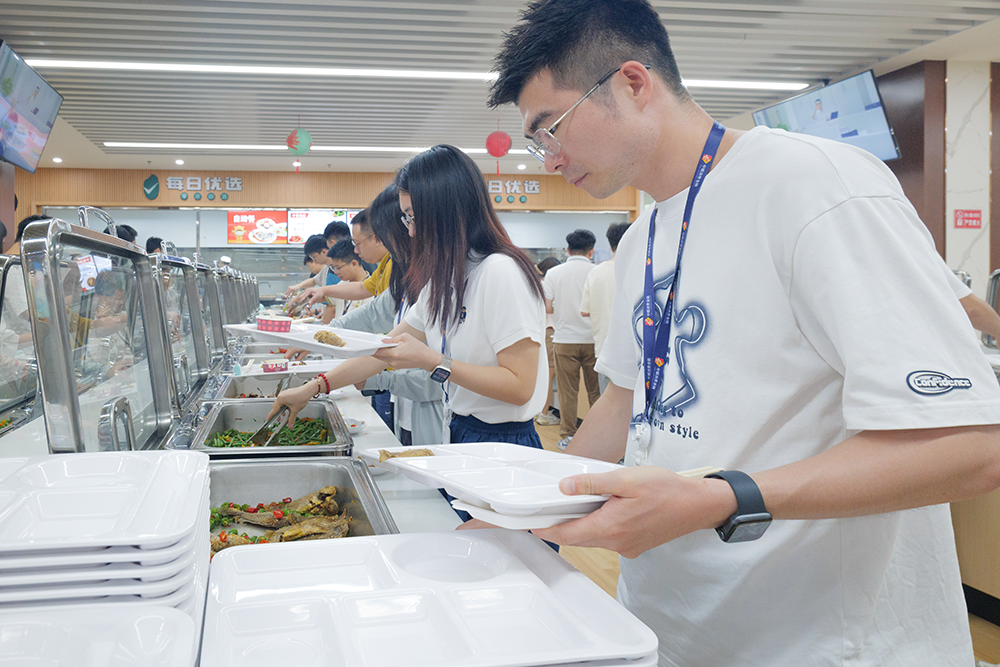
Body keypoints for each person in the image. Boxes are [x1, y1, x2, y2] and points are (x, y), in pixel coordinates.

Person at [489, 2, 1000, 666]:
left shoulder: (817, 187)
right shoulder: (644, 236)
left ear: (633, 83)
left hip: (824, 643)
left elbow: (969, 445)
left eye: (550, 129)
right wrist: (520, 514)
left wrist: (721, 498)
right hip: (668, 625)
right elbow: (624, 402)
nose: (549, 158)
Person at [269, 144, 547, 455]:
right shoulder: (445, 280)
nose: (411, 232)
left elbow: (520, 386)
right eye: (406, 219)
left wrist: (433, 361)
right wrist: (313, 388)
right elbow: (383, 350)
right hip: (459, 427)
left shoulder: (500, 271)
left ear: (447, 211)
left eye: (413, 217)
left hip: (503, 441)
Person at [543, 229, 599, 450]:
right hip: (593, 340)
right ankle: (598, 437)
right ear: (591, 251)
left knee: (568, 392)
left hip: (564, 339)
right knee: (596, 392)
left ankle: (568, 436)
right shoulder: (597, 271)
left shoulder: (554, 273)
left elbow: (547, 307)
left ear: (568, 249)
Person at [580, 222, 630, 394]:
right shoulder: (641, 270)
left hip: (604, 349)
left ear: (610, 245)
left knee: (608, 401)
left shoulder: (595, 272)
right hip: (635, 352)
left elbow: (584, 311)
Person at [533, 256, 561, 426]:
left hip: (541, 331)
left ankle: (538, 411)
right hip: (550, 331)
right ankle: (544, 413)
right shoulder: (546, 285)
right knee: (549, 375)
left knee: (543, 375)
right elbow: (550, 308)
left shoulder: (535, 284)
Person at [324, 239, 371, 322]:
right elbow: (324, 297)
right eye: (333, 268)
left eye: (338, 268)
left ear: (354, 264)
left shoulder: (371, 289)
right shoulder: (341, 285)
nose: (335, 272)